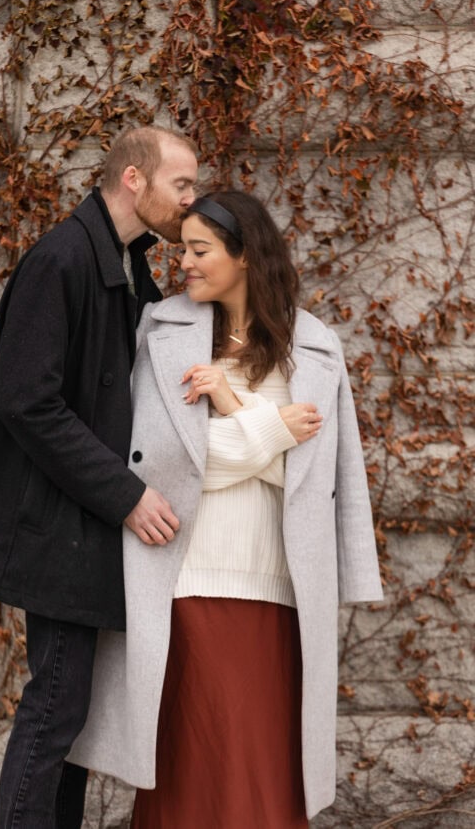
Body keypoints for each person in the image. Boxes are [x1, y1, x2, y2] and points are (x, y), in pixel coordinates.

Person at [67, 190, 384, 826]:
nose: (183, 261)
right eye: (181, 248)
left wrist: (238, 412)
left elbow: (321, 475)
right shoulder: (164, 334)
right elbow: (167, 467)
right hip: (187, 581)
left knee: (266, 773)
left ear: (244, 255)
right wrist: (273, 432)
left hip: (284, 590)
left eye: (200, 250)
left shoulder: (315, 346)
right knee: (194, 771)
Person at [0, 125, 198, 829]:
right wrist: (128, 496)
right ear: (135, 180)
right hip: (56, 526)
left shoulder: (122, 259)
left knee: (72, 721)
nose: (191, 201)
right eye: (183, 184)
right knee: (56, 708)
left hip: (80, 528)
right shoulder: (61, 260)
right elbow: (25, 401)